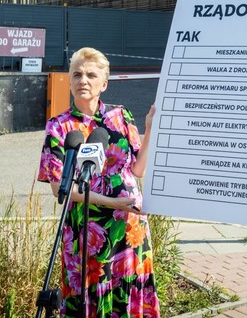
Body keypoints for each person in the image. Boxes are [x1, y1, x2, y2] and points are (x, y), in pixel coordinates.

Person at [37, 47, 160, 318]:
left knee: (127, 297)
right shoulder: (59, 127)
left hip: (129, 229)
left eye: (91, 75)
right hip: (86, 234)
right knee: (87, 300)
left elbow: (138, 169)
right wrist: (112, 202)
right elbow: (59, 188)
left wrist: (150, 127)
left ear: (104, 83)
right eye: (77, 74)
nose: (83, 80)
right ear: (69, 81)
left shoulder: (121, 116)